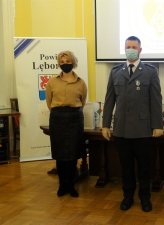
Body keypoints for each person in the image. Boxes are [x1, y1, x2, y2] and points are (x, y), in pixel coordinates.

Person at [102, 36, 163, 212]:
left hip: (143, 130)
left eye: (134, 47)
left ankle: (145, 198)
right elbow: (109, 100)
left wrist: (157, 125)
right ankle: (127, 197)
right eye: (127, 46)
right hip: (121, 130)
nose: (130, 49)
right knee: (126, 168)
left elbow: (156, 100)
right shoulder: (115, 71)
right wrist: (105, 125)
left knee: (145, 168)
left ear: (140, 50)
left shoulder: (150, 71)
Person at [46, 50, 87, 198]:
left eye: (68, 61)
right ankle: (62, 185)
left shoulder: (81, 82)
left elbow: (83, 102)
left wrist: (71, 111)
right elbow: (49, 103)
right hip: (57, 118)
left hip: (75, 118)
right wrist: (60, 111)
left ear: (73, 62)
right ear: (59, 64)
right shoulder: (52, 82)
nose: (65, 64)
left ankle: (71, 185)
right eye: (62, 62)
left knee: (73, 154)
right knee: (60, 154)